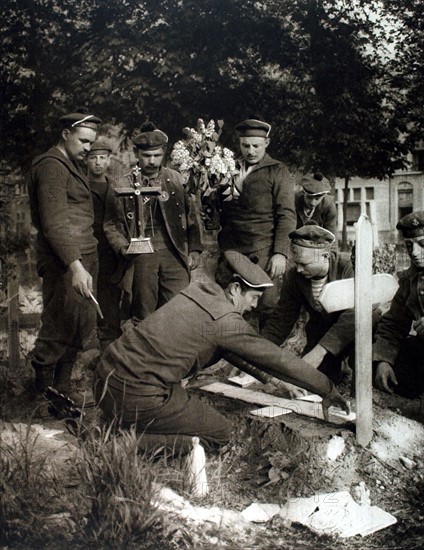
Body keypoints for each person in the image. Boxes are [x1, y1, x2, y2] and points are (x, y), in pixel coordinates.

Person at [93, 251, 350, 455]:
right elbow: (278, 358)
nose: (254, 305)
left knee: (180, 401)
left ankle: (122, 423)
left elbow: (230, 350)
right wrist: (326, 389)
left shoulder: (198, 292)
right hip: (137, 395)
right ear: (235, 288)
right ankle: (125, 443)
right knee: (219, 433)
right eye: (253, 297)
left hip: (105, 379)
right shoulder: (226, 321)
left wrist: (272, 381)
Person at [28, 111, 101, 404]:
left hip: (81, 256)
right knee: (59, 323)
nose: (87, 148)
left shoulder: (70, 164)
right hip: (66, 261)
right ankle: (42, 397)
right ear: (66, 134)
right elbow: (55, 224)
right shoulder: (51, 167)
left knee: (74, 325)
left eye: (91, 142)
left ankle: (62, 391)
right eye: (83, 141)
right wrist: (75, 267)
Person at [104, 122, 202, 321]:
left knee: (179, 305)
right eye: (146, 156)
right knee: (144, 310)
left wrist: (194, 249)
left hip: (173, 249)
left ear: (164, 153)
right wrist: (123, 248)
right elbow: (111, 224)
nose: (152, 161)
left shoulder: (174, 179)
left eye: (157, 156)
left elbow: (190, 215)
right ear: (136, 154)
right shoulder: (123, 184)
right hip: (141, 253)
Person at [217, 118, 296, 324]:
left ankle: (265, 349)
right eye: (245, 145)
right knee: (229, 302)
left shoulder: (277, 171)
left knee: (265, 303)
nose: (250, 151)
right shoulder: (228, 168)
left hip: (262, 249)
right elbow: (222, 207)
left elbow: (286, 215)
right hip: (233, 248)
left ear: (266, 144)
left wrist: (280, 253)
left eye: (256, 146)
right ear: (239, 144)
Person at [261, 224, 355, 386]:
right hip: (320, 336)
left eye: (304, 264)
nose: (298, 269)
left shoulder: (349, 267)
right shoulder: (295, 276)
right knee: (312, 381)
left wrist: (320, 352)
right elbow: (280, 320)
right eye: (296, 263)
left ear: (325, 255)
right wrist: (254, 354)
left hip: (352, 335)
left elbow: (358, 314)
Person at [373, 211, 424, 398]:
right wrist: (383, 360)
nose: (415, 253)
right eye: (410, 246)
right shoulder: (410, 280)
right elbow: (394, 323)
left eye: (423, 244)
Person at [86, 137, 122, 351]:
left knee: (109, 294)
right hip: (87, 246)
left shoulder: (115, 188)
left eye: (102, 158)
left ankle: (109, 342)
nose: (98, 162)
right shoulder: (79, 186)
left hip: (109, 250)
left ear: (109, 161)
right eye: (93, 158)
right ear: (87, 161)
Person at [295, 172, 337, 237]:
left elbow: (331, 236)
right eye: (309, 197)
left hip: (317, 243)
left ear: (324, 196)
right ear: (303, 192)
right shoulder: (293, 201)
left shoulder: (328, 205)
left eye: (317, 199)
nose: (312, 202)